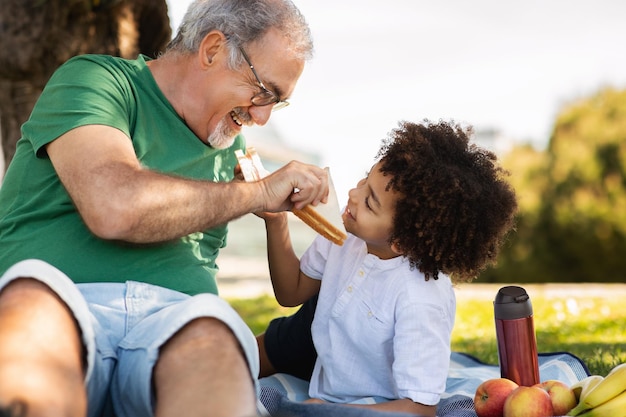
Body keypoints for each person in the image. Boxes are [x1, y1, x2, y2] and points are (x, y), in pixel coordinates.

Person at [0, 1, 323, 417]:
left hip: (178, 323)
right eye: (263, 91)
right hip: (62, 299)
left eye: (276, 103)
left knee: (215, 339)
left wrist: (270, 209)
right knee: (30, 309)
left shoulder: (233, 148)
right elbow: (114, 207)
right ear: (211, 50)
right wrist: (257, 193)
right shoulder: (97, 81)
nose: (261, 116)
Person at [256, 120, 518, 417]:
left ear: (402, 241)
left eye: (370, 203)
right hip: (317, 369)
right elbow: (291, 292)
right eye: (364, 181)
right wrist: (275, 221)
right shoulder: (343, 238)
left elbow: (419, 409)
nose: (353, 195)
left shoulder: (420, 299)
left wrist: (333, 411)